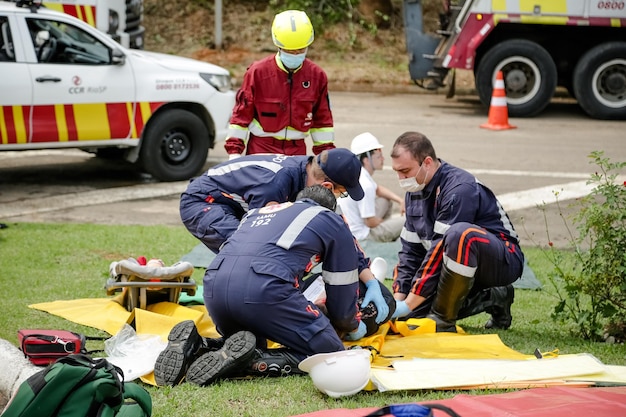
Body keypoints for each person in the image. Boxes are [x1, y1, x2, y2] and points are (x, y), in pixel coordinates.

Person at [155, 186, 394, 386]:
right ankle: (251, 361)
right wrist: (351, 324)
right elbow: (342, 290)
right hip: (264, 288)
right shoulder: (330, 220)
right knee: (330, 351)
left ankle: (200, 347)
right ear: (331, 208)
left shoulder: (260, 213)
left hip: (215, 288)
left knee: (248, 338)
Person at [179, 148, 390, 324]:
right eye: (341, 192)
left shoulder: (310, 180)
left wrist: (370, 280)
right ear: (327, 186)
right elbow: (261, 238)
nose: (338, 198)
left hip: (233, 203)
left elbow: (343, 234)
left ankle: (271, 305)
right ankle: (249, 310)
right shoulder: (275, 183)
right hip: (203, 204)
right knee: (251, 252)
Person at [389, 131, 524, 332]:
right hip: (456, 262)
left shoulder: (459, 188)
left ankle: (443, 319)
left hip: (503, 258)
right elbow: (410, 254)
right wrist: (398, 302)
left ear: (427, 163)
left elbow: (438, 249)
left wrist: (410, 302)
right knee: (410, 318)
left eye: (406, 171)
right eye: (397, 172)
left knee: (460, 235)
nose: (401, 179)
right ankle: (494, 296)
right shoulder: (415, 191)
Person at [224, 10, 335, 159]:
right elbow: (241, 115)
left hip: (297, 152)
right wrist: (234, 153)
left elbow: (322, 122)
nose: (295, 54)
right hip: (261, 149)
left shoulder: (317, 76)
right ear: (279, 46)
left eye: (300, 49)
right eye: (290, 50)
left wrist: (325, 156)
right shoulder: (258, 73)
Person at [337, 132, 405, 243]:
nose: (383, 159)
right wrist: (383, 223)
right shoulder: (366, 185)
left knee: (385, 200)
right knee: (408, 220)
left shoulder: (359, 174)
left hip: (351, 228)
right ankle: (384, 238)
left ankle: (387, 232)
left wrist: (400, 200)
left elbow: (378, 189)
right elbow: (369, 222)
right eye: (379, 156)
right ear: (366, 160)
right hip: (362, 236)